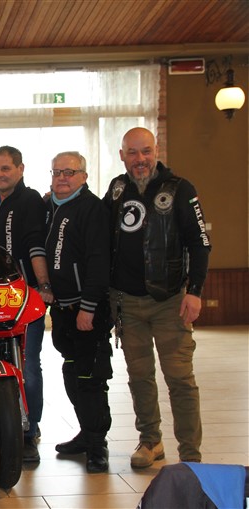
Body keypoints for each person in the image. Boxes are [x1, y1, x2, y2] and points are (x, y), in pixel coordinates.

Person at [103, 127, 211, 467]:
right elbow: (96, 227)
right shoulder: (116, 190)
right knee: (139, 378)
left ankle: (190, 456)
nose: (140, 159)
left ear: (156, 151)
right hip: (126, 303)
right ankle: (150, 441)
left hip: (169, 302)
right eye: (132, 153)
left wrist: (195, 292)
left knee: (180, 379)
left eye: (146, 151)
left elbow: (200, 243)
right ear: (122, 156)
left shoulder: (180, 189)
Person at [0, 145, 51, 462]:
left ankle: (29, 431)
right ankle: (4, 424)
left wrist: (43, 286)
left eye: (5, 168)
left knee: (27, 364)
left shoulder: (29, 199)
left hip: (25, 296)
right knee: (0, 361)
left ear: (20, 169)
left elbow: (35, 246)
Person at [45, 151, 113, 473]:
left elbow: (99, 261)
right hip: (61, 310)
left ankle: (98, 445)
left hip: (87, 310)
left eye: (69, 172)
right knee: (72, 373)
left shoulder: (92, 208)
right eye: (57, 172)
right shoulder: (48, 207)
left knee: (91, 378)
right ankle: (86, 434)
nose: (62, 177)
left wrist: (88, 307)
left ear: (83, 176)